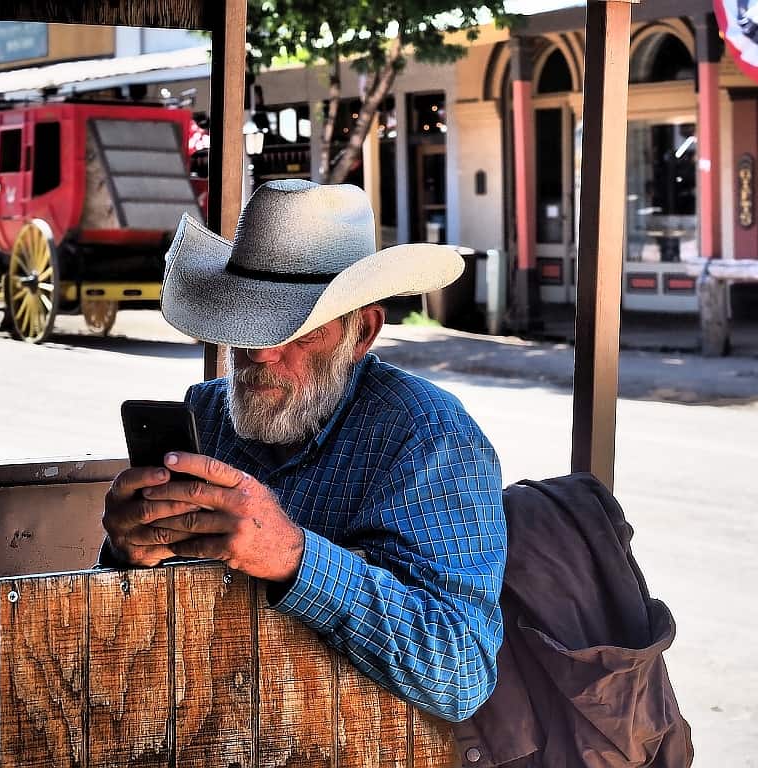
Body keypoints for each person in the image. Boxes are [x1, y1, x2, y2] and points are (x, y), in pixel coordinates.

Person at [100, 180, 506, 723]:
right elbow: (134, 634)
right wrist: (128, 555)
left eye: (300, 329)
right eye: (250, 320)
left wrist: (294, 557)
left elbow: (461, 672)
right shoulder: (207, 414)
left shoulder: (429, 435)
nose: (263, 351)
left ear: (361, 334)